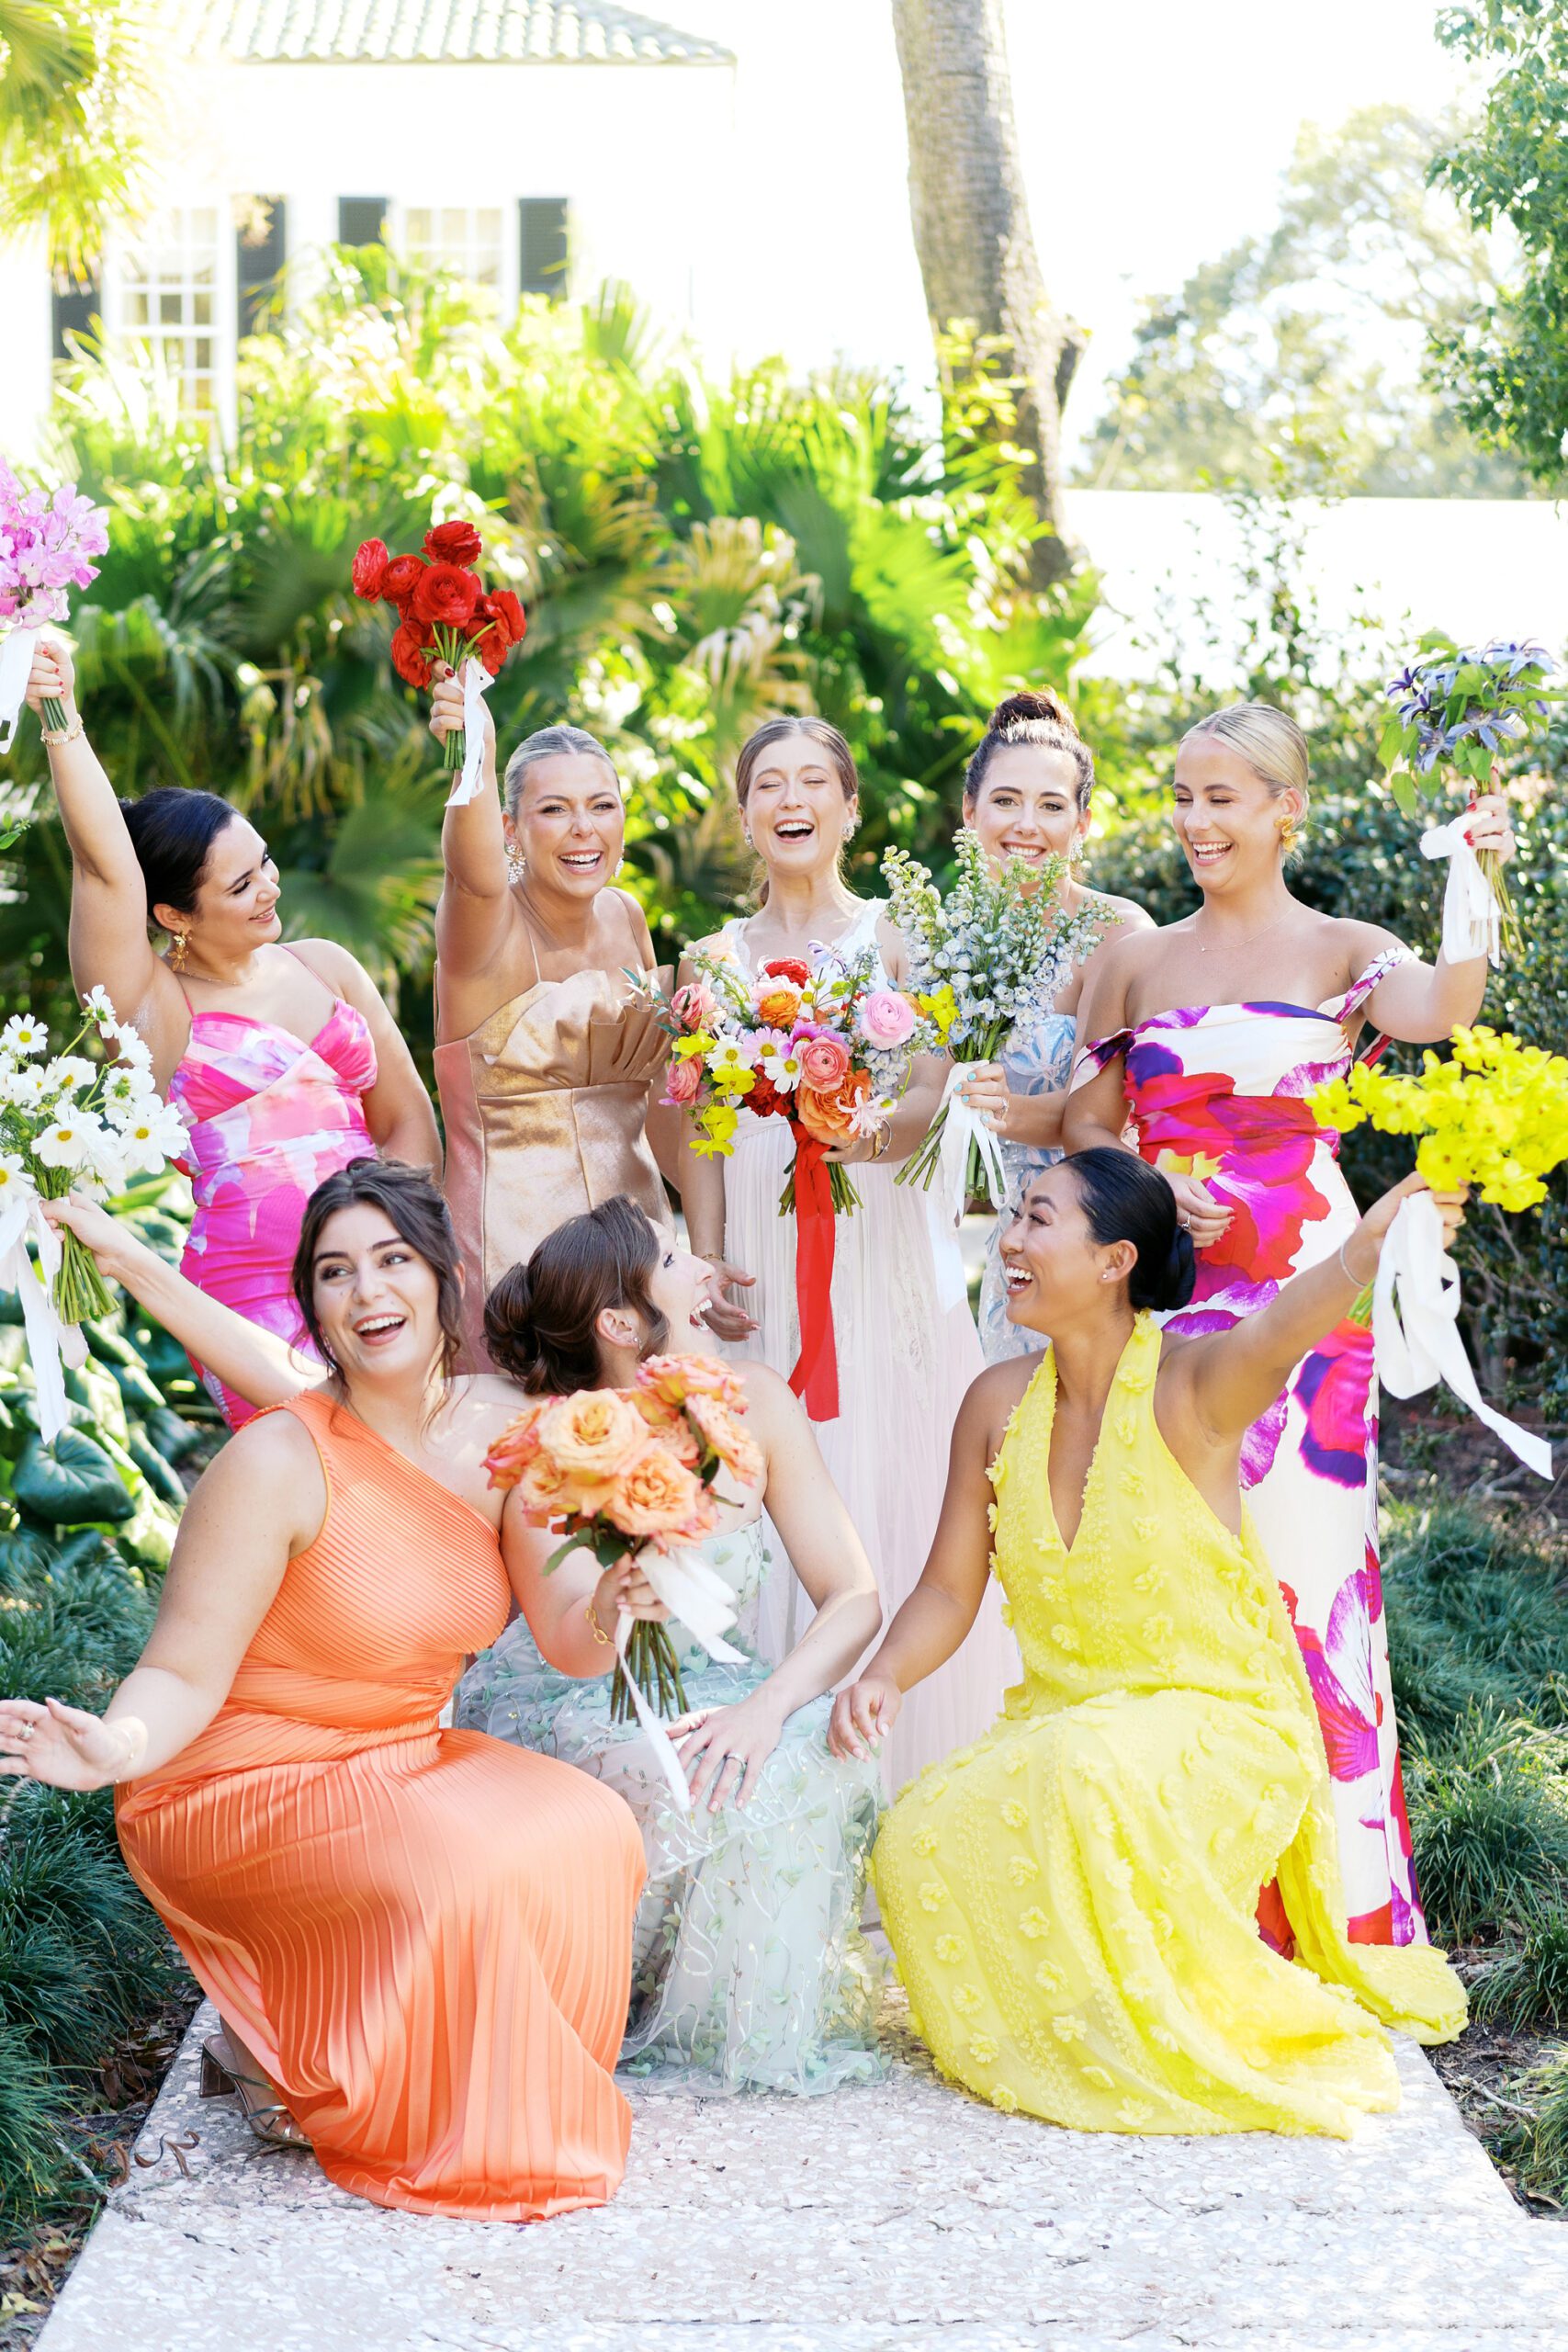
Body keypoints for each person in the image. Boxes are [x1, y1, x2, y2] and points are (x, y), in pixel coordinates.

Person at [2, 1160, 653, 2221]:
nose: (368, 1292)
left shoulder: (511, 1431)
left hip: (398, 1753)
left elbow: (571, 1640)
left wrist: (619, 1599)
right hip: (236, 1774)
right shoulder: (279, 1459)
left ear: (444, 1273)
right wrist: (118, 1745)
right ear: (314, 1306)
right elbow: (180, 1668)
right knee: (467, 1870)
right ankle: (342, 2081)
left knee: (592, 1827)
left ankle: (367, 2060)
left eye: (393, 1259)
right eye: (336, 1272)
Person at [830, 1150, 1468, 2139]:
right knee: (918, 1832)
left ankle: (1158, 2031)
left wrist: (1364, 1249)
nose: (1010, 1241)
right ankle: (1060, 2032)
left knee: (1082, 1774)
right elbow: (949, 1589)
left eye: (1038, 1220)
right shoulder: (996, 1404)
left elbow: (1279, 1326)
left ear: (1116, 1257)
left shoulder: (1194, 1383)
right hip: (1066, 1723)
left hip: (1221, 1723)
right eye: (1014, 1218)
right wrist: (882, 1674)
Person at [1062, 701, 1516, 1950]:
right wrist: (1153, 1187)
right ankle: (1193, 1907)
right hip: (1171, 1293)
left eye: (1222, 797)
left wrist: (1470, 873)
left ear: (1283, 809)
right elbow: (1086, 1123)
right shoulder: (1139, 962)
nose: (1196, 820)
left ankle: (1332, 1914)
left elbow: (1445, 1008)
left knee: (1306, 1573)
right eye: (1182, 796)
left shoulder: (1341, 948)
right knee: (1181, 1573)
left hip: (1311, 1294)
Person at [457, 1196, 887, 2096]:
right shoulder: (553, 1442)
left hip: (725, 1682)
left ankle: (747, 2023)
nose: (706, 1268)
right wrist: (616, 1594)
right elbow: (571, 1644)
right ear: (621, 1320)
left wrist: (770, 1708)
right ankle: (613, 2000)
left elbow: (853, 1595)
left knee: (802, 1749)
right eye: (678, 1257)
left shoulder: (756, 1399)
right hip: (582, 1687)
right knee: (682, 1767)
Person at [677, 716, 1011, 1795]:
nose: (792, 798)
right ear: (744, 816)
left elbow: (927, 1089)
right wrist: (711, 1255)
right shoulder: (709, 960)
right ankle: (777, 1775)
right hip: (773, 1255)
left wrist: (865, 1135)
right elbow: (698, 1124)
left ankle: (920, 1775)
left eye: (814, 779)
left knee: (905, 1449)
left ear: (850, 806)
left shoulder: (898, 937)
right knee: (788, 1463)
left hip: (883, 1237)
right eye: (768, 782)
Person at [21, 638, 439, 1425]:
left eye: (266, 863)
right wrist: (59, 714)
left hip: (381, 1273)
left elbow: (407, 1119)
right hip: (251, 1294)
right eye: (241, 884)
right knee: (322, 1463)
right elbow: (104, 869)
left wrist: (400, 1242)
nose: (268, 888)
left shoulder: (327, 965)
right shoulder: (158, 1015)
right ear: (174, 915)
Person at [428, 673, 670, 1367]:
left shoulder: (627, 916)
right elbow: (470, 872)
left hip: (639, 1239)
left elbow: (655, 1099)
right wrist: (475, 747)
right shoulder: (485, 925)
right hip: (517, 1255)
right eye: (553, 810)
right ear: (510, 828)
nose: (583, 828)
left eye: (601, 805)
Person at [949, 692, 1151, 1363]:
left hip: (1105, 1232)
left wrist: (978, 1105)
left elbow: (1107, 1110)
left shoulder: (1119, 934)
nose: (1025, 826)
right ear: (970, 811)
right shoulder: (943, 940)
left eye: (1051, 806)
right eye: (1005, 802)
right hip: (1011, 1237)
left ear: (1084, 821)